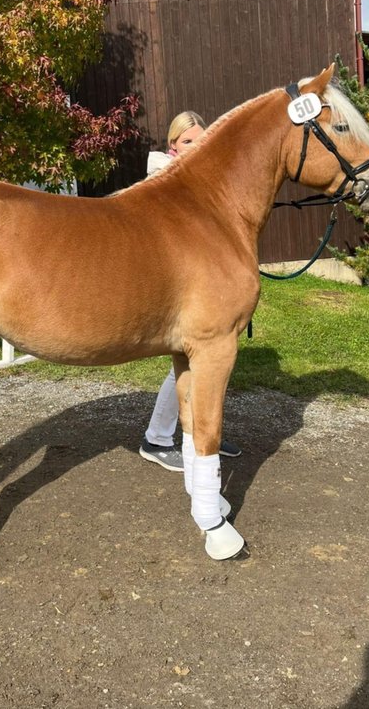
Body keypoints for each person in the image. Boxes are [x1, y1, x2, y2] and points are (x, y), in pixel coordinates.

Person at [138, 111, 241, 470]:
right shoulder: (161, 181)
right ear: (174, 146)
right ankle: (158, 438)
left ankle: (200, 432)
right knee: (185, 362)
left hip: (194, 282)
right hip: (161, 282)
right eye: (188, 143)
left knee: (203, 364)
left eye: (202, 142)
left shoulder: (202, 183)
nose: (197, 149)